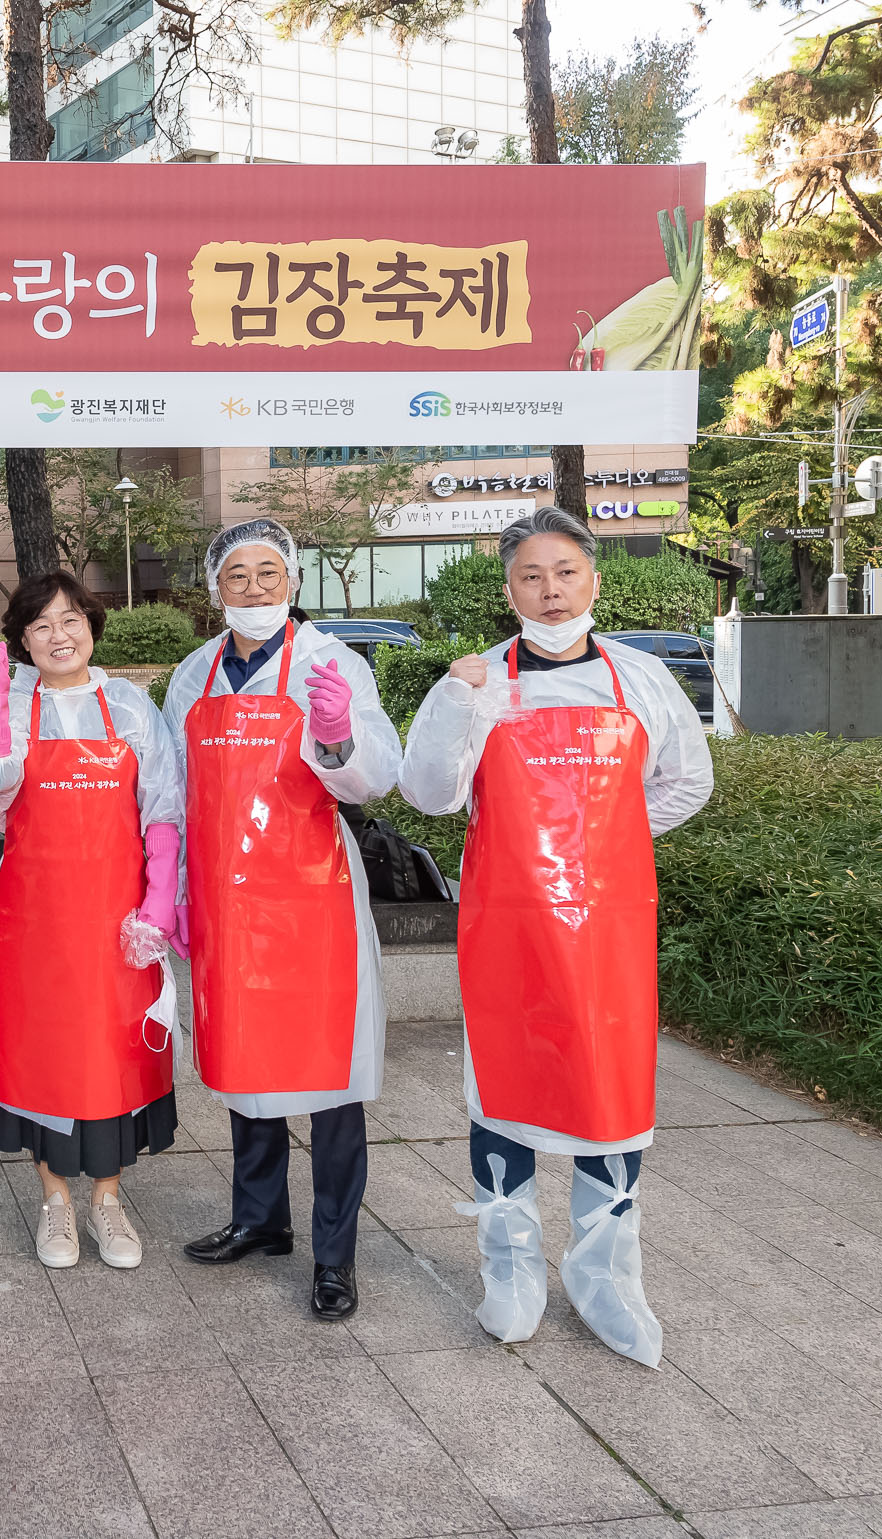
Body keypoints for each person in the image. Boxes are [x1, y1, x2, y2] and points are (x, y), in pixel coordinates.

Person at [399, 506, 713, 1367]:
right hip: (508, 924)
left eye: (565, 571)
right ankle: (510, 1267)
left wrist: (598, 841)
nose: (550, 589)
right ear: (509, 590)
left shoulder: (642, 679)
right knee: (504, 1086)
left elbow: (688, 783)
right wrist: (454, 699)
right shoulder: (479, 681)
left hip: (608, 925)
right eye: (532, 576)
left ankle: (606, 1274)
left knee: (608, 1091)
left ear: (594, 580)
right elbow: (428, 793)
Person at [162, 521, 401, 1322]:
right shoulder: (193, 675)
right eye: (238, 575)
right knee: (245, 1063)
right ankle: (261, 1217)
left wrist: (337, 737)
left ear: (293, 580)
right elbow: (173, 789)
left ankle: (335, 1256)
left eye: (270, 572)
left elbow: (377, 776)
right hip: (228, 902)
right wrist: (175, 893)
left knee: (331, 1081)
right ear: (215, 588)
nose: (255, 588)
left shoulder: (333, 663)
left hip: (313, 898)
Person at [0, 570, 181, 1271]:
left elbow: (163, 809)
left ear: (91, 625)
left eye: (71, 620)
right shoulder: (12, 702)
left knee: (112, 1055)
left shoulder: (130, 706)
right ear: (21, 640)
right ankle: (55, 1199)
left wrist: (157, 905)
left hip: (119, 922)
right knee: (44, 1053)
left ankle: (108, 1201)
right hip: (35, 920)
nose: (59, 635)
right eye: (41, 625)